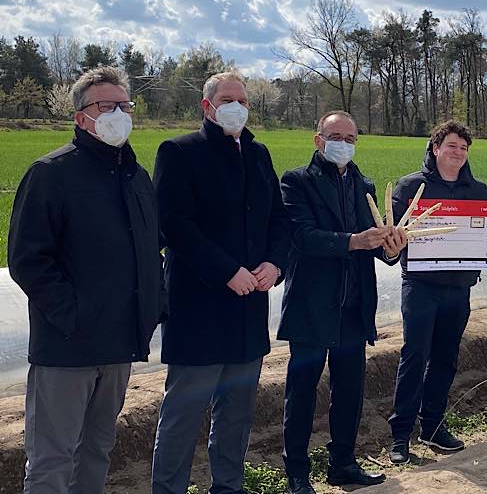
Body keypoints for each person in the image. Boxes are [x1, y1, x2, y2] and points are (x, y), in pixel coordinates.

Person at [8, 66, 166, 494]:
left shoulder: (136, 177)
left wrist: (153, 307)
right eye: (106, 105)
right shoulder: (51, 174)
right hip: (67, 346)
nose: (119, 112)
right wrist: (74, 315)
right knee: (53, 459)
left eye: (124, 105)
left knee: (97, 449)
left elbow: (150, 251)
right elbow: (28, 260)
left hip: (118, 345)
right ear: (81, 117)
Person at [151, 71, 291, 494]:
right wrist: (226, 271)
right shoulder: (180, 152)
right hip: (199, 306)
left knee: (237, 413)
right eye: (228, 99)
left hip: (249, 307)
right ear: (207, 106)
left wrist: (275, 263)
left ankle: (228, 486)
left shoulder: (258, 154)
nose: (237, 107)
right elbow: (175, 224)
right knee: (184, 411)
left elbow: (279, 219)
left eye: (244, 101)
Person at [278, 111, 407, 494]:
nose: (344, 144)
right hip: (312, 304)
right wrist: (353, 240)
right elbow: (301, 237)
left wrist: (391, 249)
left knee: (350, 390)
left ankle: (343, 463)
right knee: (301, 390)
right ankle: (297, 473)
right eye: (336, 136)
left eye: (351, 138)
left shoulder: (363, 185)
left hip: (353, 304)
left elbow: (378, 246)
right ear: (318, 140)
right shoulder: (296, 182)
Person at [386, 120, 487, 464]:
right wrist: (392, 243)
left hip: (458, 289)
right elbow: (392, 238)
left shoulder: (477, 190)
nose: (457, 153)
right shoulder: (411, 187)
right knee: (415, 356)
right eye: (451, 146)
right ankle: (400, 435)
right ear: (435, 148)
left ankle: (432, 425)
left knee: (446, 358)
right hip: (421, 287)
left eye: (463, 148)